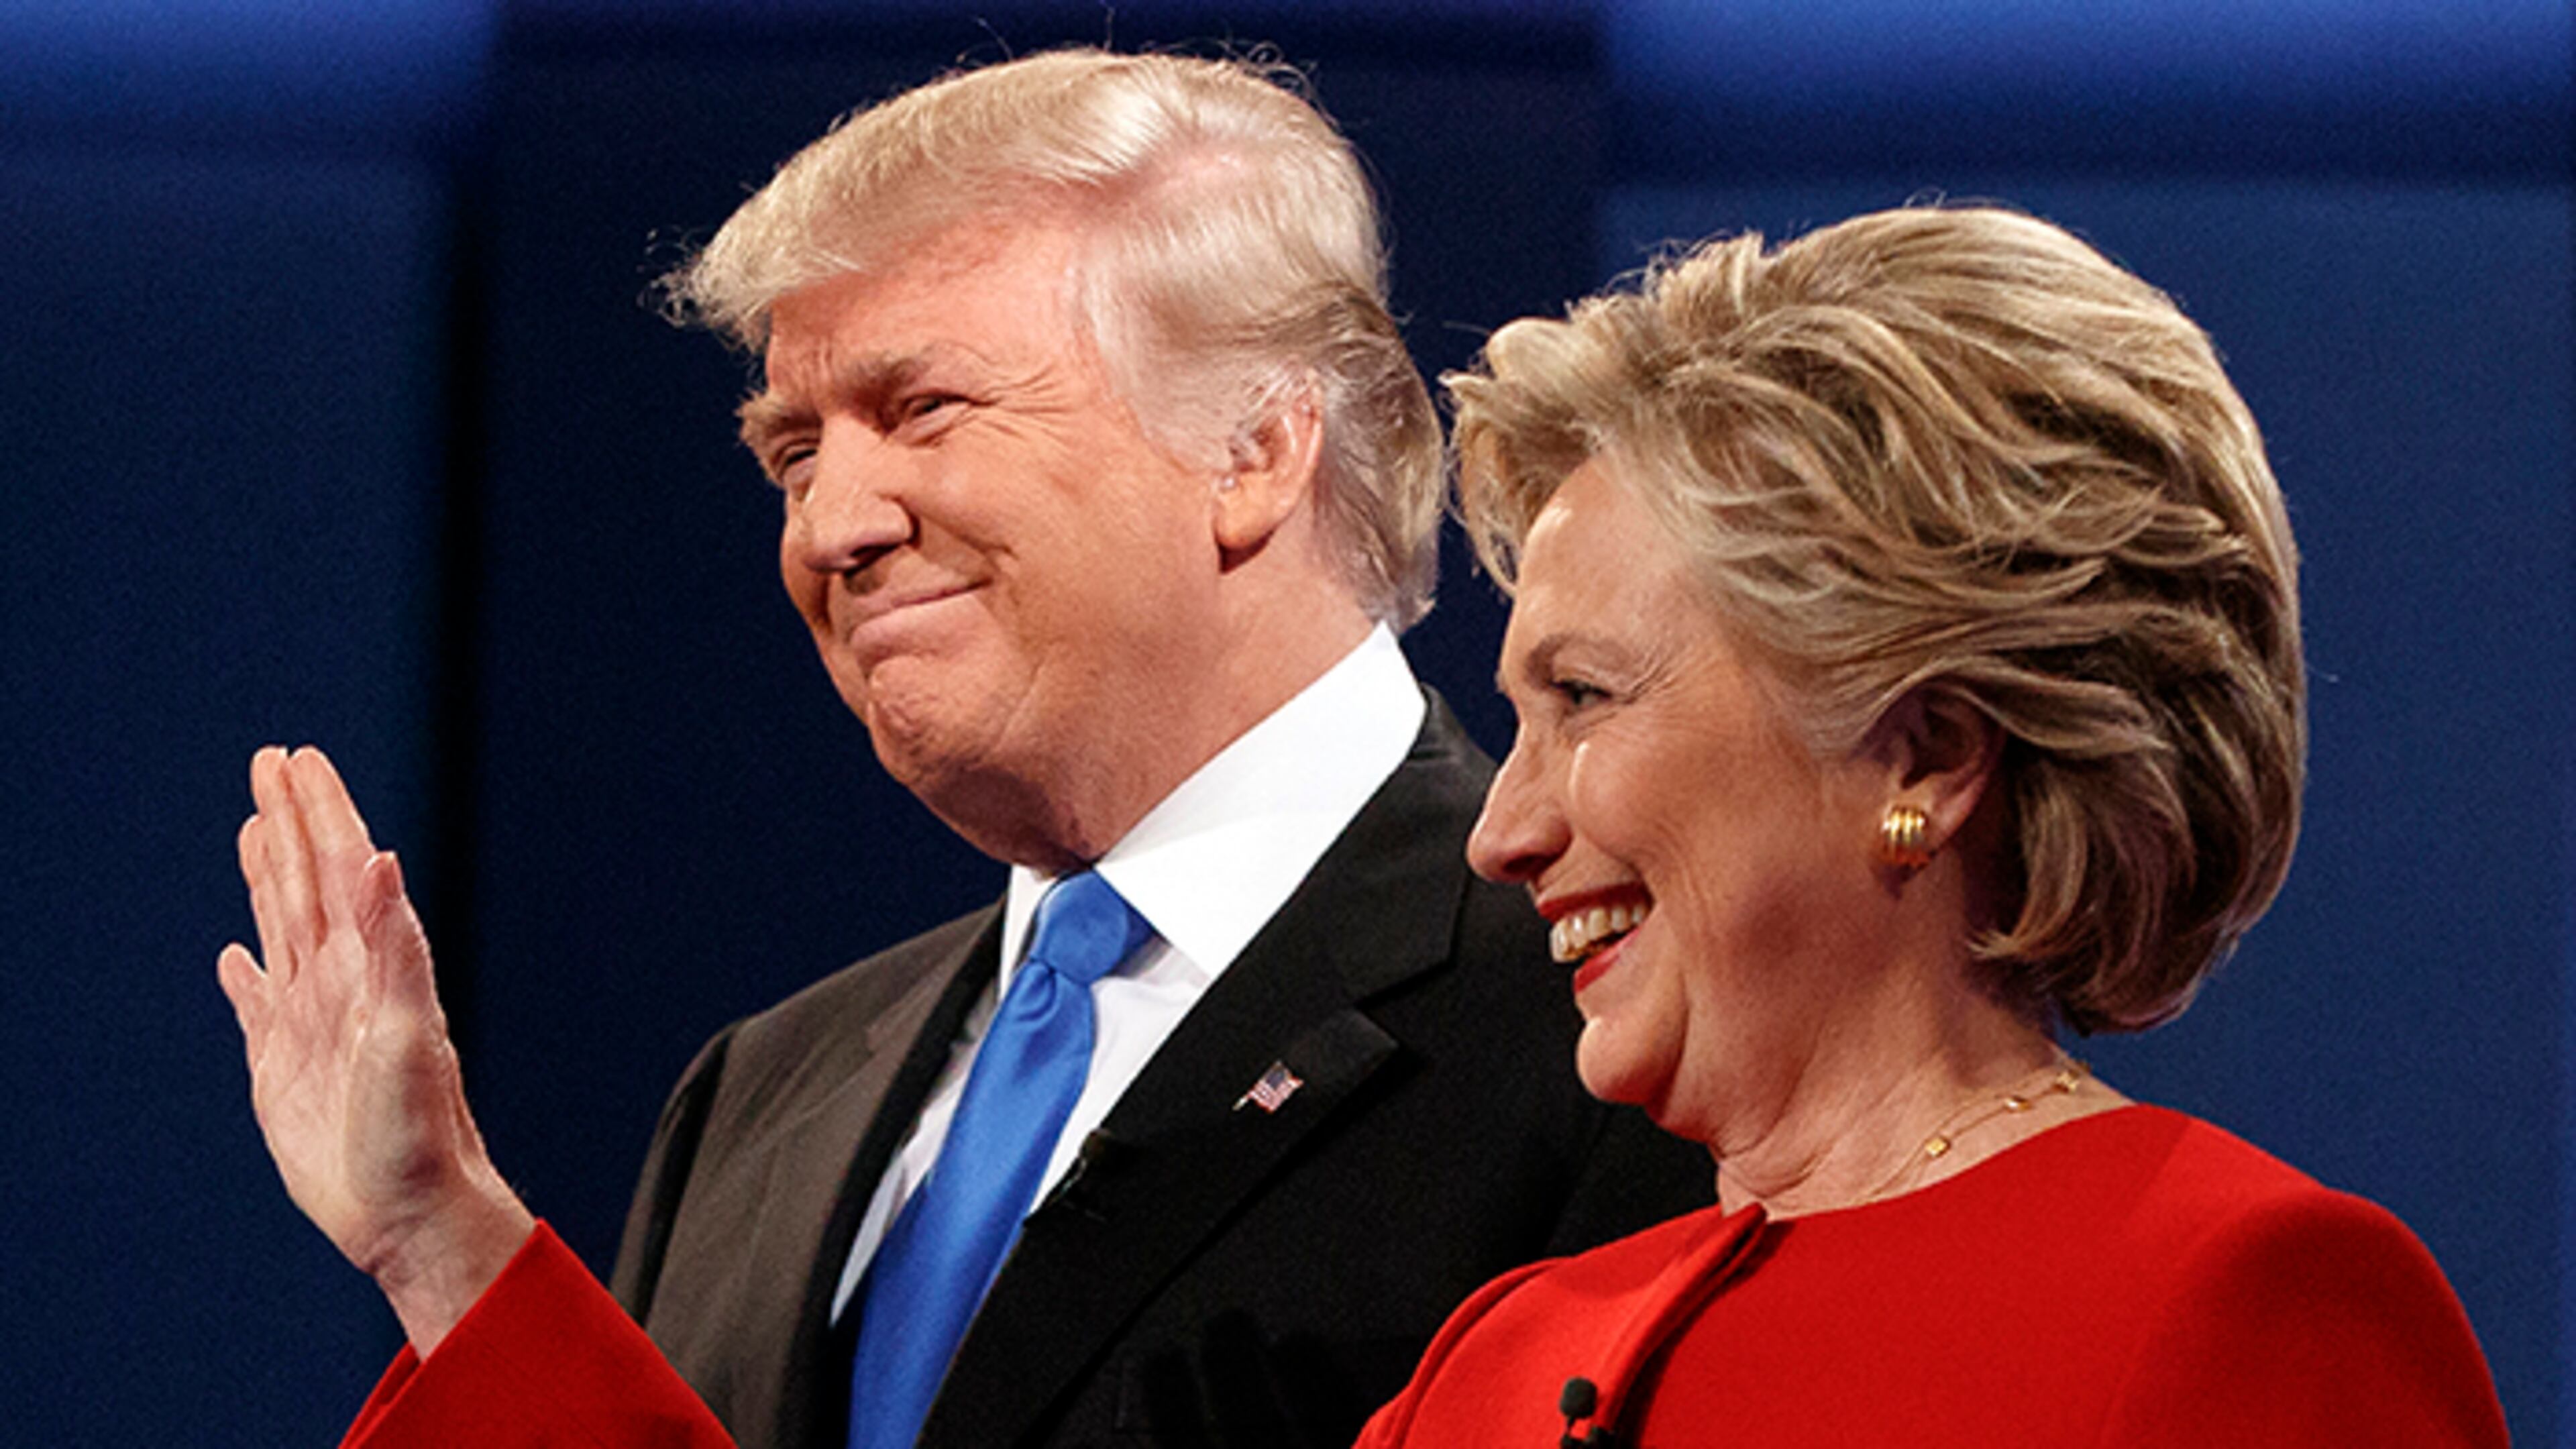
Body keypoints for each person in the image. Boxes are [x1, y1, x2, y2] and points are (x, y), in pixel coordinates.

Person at [215, 48, 1711, 1449]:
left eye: (922, 409)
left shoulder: (1623, 1014)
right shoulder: (760, 1099)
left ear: (1254, 448)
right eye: (794, 453)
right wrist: (438, 1235)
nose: (831, 527)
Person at [1346, 205, 2510, 1445]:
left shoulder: (2244, 1300)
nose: (1501, 832)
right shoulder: (1494, 1367)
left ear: (1930, 755)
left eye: (1584, 698)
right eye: (1519, 715)